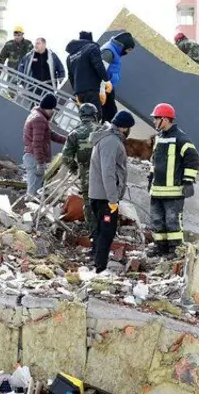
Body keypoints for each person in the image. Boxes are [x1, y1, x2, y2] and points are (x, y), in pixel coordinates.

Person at [147, 103, 199, 259]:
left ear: (165, 119)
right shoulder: (159, 138)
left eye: (156, 118)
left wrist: (188, 181)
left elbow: (193, 158)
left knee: (172, 222)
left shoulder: (180, 138)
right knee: (157, 221)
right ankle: (160, 247)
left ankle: (174, 250)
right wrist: (151, 179)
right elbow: (154, 161)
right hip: (157, 190)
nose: (154, 122)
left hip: (174, 191)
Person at [88, 110, 136, 273]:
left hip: (99, 195)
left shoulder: (106, 138)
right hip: (105, 198)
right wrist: (113, 199)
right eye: (129, 128)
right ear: (123, 127)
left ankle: (95, 260)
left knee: (100, 229)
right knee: (107, 232)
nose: (129, 132)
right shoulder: (111, 142)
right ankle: (99, 267)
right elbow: (107, 172)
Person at [61, 103, 102, 246]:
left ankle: (94, 234)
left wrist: (75, 168)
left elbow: (66, 157)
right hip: (105, 175)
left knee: (90, 205)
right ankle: (108, 231)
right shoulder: (104, 130)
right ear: (95, 115)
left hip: (87, 176)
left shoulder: (74, 133)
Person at [22, 94, 67, 196]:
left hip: (31, 156)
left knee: (33, 188)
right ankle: (27, 210)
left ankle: (27, 208)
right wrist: (40, 163)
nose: (53, 112)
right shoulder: (40, 120)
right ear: (50, 108)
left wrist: (68, 140)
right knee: (33, 191)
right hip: (34, 158)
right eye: (53, 109)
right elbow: (37, 143)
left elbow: (51, 135)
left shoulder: (36, 115)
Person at [66, 31, 110, 120]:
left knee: (85, 118)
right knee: (96, 116)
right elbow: (98, 65)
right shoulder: (91, 47)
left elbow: (71, 76)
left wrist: (76, 93)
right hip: (91, 89)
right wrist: (106, 80)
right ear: (90, 39)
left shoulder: (69, 57)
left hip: (79, 92)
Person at [100, 32, 135, 123]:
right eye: (128, 50)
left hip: (107, 87)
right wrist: (102, 90)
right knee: (111, 115)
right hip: (104, 88)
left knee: (110, 114)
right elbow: (100, 70)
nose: (127, 52)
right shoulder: (109, 52)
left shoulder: (114, 51)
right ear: (123, 46)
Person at [0, 26, 33, 97]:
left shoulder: (28, 44)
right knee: (11, 94)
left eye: (19, 35)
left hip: (24, 75)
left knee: (25, 95)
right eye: (15, 35)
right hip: (12, 73)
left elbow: (35, 58)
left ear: (22, 34)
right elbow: (1, 58)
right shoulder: (9, 45)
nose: (17, 37)